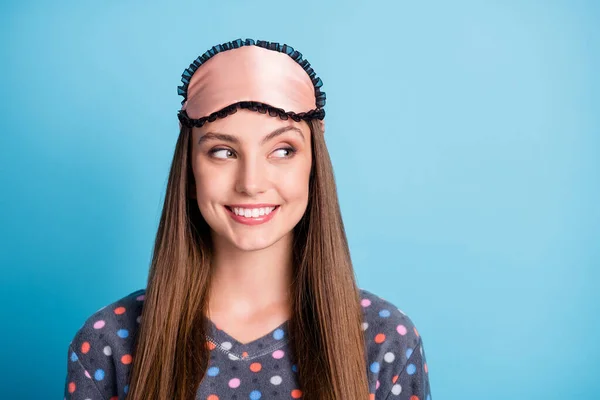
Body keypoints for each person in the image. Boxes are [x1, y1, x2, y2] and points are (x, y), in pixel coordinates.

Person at [63, 38, 432, 400]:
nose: (251, 184)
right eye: (223, 151)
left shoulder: (386, 341)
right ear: (190, 172)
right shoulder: (109, 341)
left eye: (282, 150)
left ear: (313, 166)